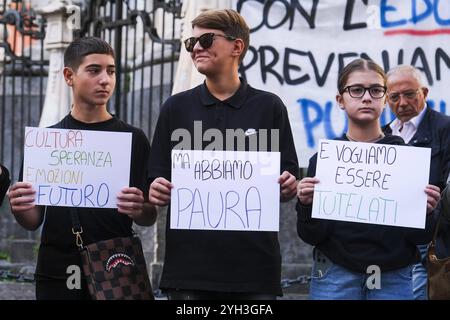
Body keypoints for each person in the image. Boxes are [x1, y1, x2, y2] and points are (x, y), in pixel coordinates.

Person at [148, 9, 299, 300]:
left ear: (237, 46)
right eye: (191, 43)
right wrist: (156, 188)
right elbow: (156, 177)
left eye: (206, 39)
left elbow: (288, 175)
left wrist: (288, 184)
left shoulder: (269, 107)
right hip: (188, 272)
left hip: (254, 272)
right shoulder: (175, 108)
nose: (197, 48)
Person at [8, 37, 156, 300]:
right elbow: (32, 220)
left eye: (111, 71)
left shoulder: (134, 139)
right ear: (69, 76)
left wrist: (140, 207)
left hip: (116, 265)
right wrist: (19, 207)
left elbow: (148, 215)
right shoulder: (46, 142)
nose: (105, 79)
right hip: (58, 268)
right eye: (93, 70)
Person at [296, 58, 441, 300]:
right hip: (334, 272)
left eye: (375, 90)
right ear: (340, 100)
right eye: (356, 90)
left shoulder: (409, 160)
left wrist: (427, 212)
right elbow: (311, 236)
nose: (366, 97)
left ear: (385, 99)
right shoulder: (324, 159)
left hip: (395, 275)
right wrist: (305, 205)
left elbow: (421, 237)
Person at [383, 65, 450, 300]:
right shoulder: (382, 135)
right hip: (389, 241)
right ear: (386, 99)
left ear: (425, 93)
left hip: (431, 240)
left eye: (409, 94)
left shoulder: (445, 128)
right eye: (394, 96)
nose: (402, 102)